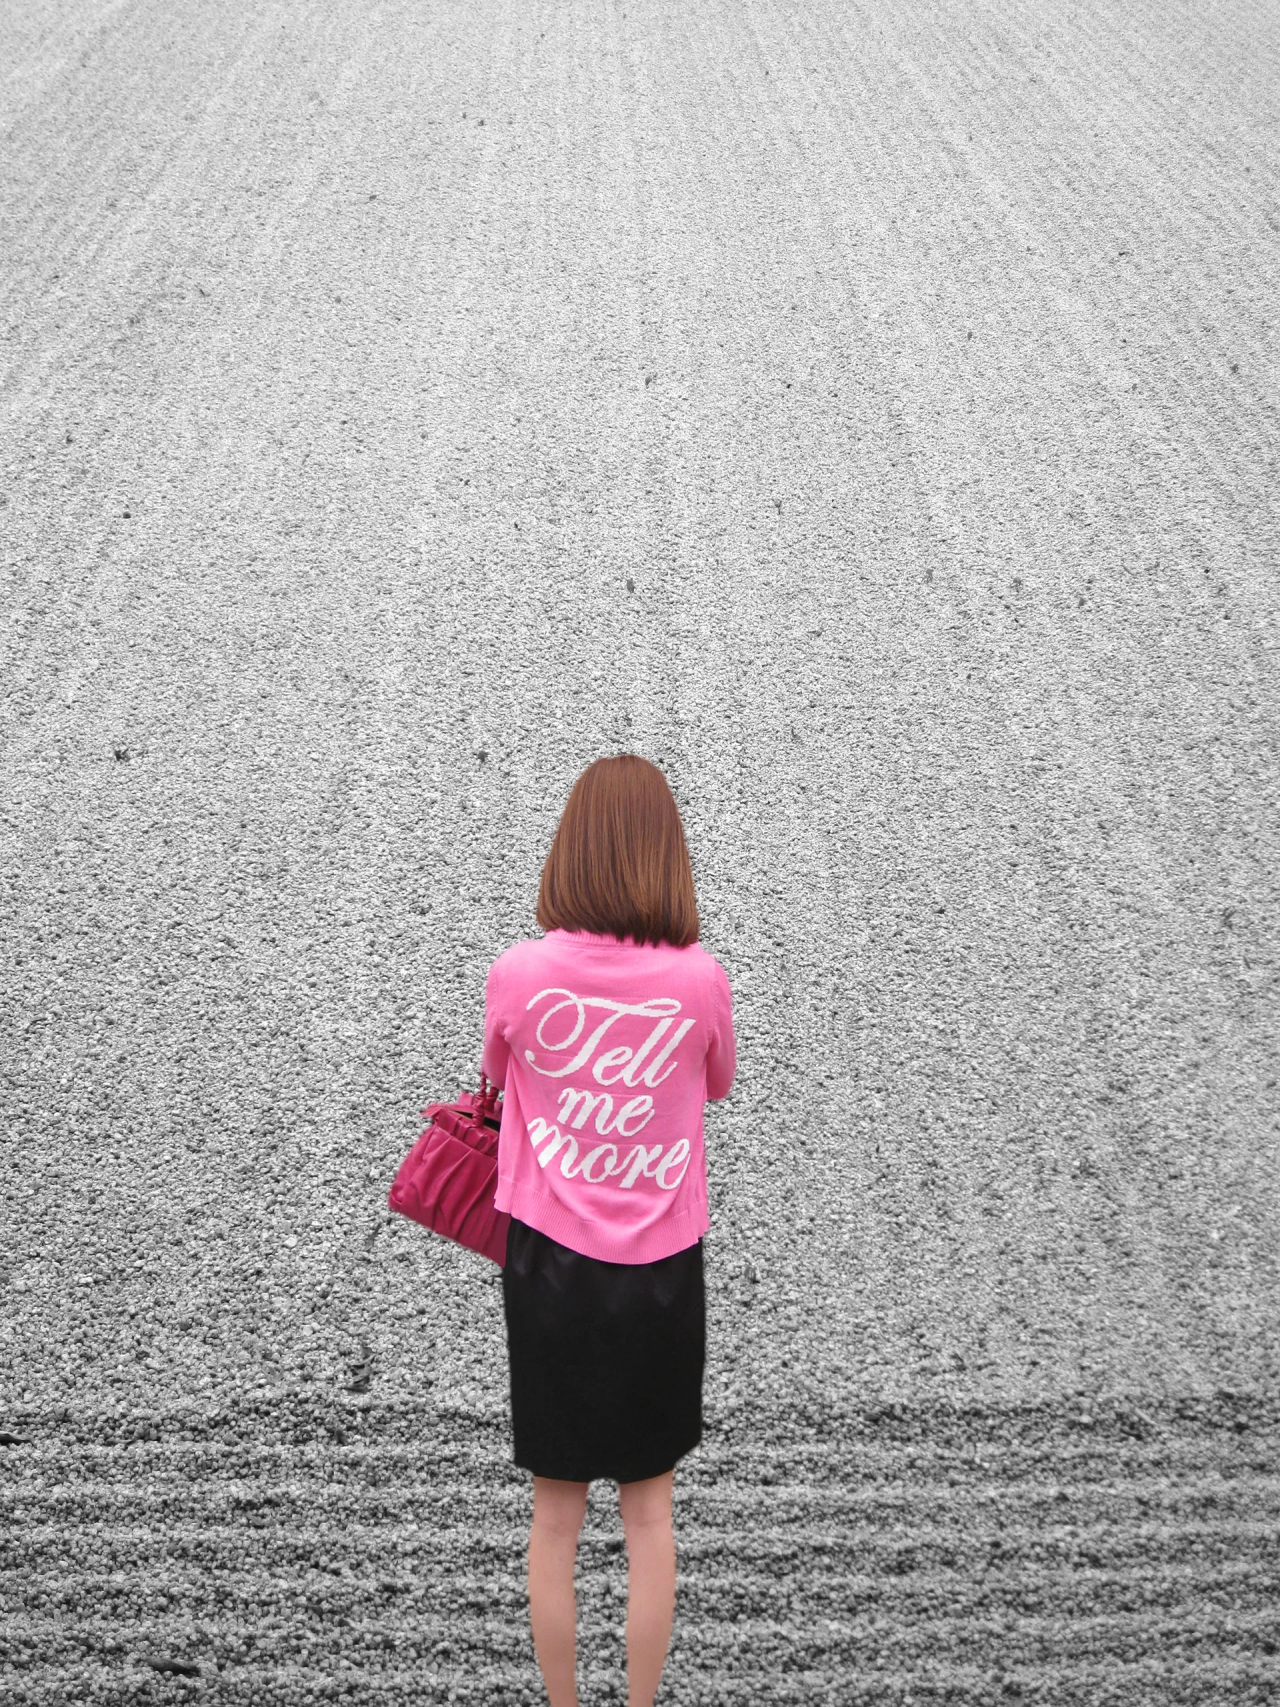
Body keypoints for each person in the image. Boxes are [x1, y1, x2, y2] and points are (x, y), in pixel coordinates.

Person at [480, 753, 737, 1707]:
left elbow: (497, 1081)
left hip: (547, 1264)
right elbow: (717, 1084)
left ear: (571, 849)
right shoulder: (700, 979)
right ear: (666, 855)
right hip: (663, 1268)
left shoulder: (519, 971)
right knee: (649, 1514)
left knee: (554, 1517)